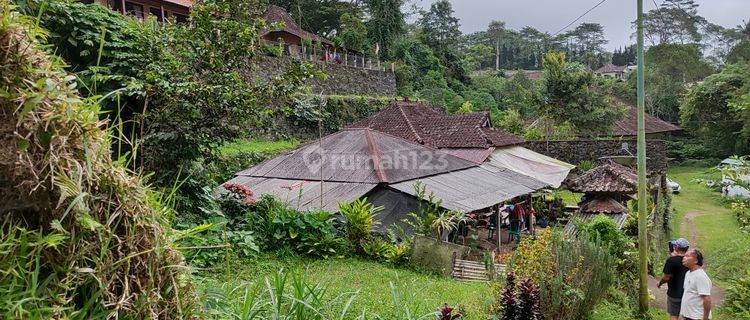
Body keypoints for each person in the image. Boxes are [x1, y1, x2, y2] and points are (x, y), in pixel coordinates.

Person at [657, 238, 690, 320]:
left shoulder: (671, 261)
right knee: (684, 315)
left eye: (675, 245)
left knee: (674, 315)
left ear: (676, 248)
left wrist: (660, 283)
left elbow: (666, 277)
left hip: (674, 293)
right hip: (687, 293)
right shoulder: (690, 260)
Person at [680, 249, 712, 320]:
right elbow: (688, 294)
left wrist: (705, 318)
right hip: (688, 316)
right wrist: (683, 314)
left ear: (696, 261)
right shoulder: (688, 273)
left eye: (687, 256)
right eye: (684, 256)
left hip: (697, 317)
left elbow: (707, 299)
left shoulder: (700, 276)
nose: (684, 258)